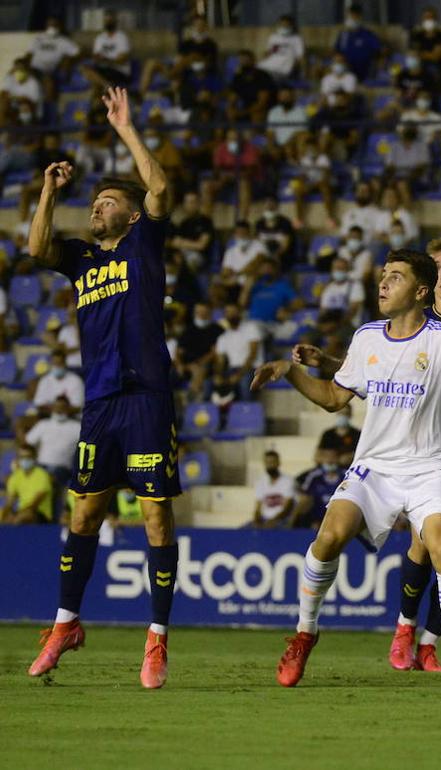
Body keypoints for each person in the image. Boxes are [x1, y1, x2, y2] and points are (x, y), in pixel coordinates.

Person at [251, 249, 441, 692]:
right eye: (383, 275)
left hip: (429, 468)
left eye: (396, 277)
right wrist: (289, 371)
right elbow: (333, 398)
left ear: (421, 291)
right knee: (327, 538)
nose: (383, 284)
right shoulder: (366, 337)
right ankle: (305, 634)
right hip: (374, 469)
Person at [25, 88, 181, 689]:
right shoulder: (84, 261)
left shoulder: (143, 243)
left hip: (145, 397)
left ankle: (157, 639)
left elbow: (161, 189)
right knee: (85, 512)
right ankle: (66, 623)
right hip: (100, 403)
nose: (97, 207)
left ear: (132, 215)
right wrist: (50, 191)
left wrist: (126, 128)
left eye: (108, 200)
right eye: (93, 201)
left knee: (155, 519)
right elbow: (37, 248)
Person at [2, 445, 54, 525]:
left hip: (40, 513)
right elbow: (9, 502)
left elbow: (35, 503)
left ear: (34, 458)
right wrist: (4, 514)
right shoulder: (15, 476)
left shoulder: (42, 475)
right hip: (21, 512)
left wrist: (18, 515)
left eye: (28, 457)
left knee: (25, 516)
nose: (25, 460)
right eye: (22, 457)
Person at [252, 450, 296, 529]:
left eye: (272, 462)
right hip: (264, 519)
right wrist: (256, 520)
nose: (270, 465)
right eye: (267, 463)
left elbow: (287, 507)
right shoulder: (261, 482)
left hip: (282, 519)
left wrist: (274, 520)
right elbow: (258, 507)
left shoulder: (287, 481)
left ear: (278, 463)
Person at [257, 15, 306, 81]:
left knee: (273, 76)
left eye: (287, 25)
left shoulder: (297, 39)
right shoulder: (273, 37)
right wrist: (263, 57)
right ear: (279, 25)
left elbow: (300, 56)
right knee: (257, 69)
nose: (284, 26)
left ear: (291, 25)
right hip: (273, 60)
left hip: (287, 63)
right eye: (283, 24)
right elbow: (270, 51)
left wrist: (296, 68)